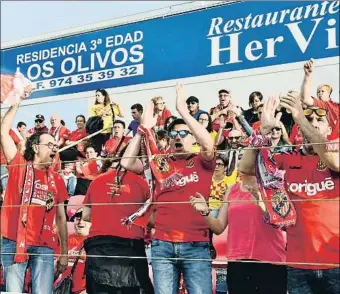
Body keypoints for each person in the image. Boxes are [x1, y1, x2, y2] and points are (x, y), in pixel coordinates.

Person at [239, 94, 339, 294]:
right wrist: (261, 132)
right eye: (308, 119)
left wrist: (301, 116)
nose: (313, 123)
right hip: (298, 265)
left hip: (336, 265)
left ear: (330, 129)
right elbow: (246, 168)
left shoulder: (334, 158)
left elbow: (334, 162)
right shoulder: (287, 158)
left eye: (320, 120)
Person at [121, 84, 215, 294]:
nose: (178, 137)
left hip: (195, 245)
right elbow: (127, 163)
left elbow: (208, 145)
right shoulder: (160, 163)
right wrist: (142, 129)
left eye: (184, 133)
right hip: (162, 245)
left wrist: (182, 110)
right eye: (174, 134)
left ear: (193, 138)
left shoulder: (202, 161)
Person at [0, 98, 68, 294]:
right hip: (14, 240)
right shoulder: (19, 165)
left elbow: (62, 218)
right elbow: (3, 132)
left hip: (44, 244)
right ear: (36, 147)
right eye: (50, 145)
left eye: (56, 145)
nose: (55, 148)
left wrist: (64, 252)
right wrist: (17, 101)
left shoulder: (58, 179)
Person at [190, 174, 287, 294]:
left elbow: (282, 222)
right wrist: (205, 212)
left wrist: (262, 203)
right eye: (240, 158)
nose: (242, 161)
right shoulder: (232, 189)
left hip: (271, 261)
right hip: (239, 262)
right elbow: (219, 226)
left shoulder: (274, 186)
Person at [82, 152, 154, 294]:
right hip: (130, 248)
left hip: (99, 247)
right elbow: (150, 218)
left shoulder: (96, 180)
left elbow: (86, 215)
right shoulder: (142, 183)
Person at [55, 196, 91, 294]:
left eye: (85, 219)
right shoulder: (63, 242)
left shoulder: (95, 245)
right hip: (61, 289)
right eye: (77, 218)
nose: (80, 222)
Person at [300, 58, 339, 140]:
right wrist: (307, 75)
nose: (319, 93)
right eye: (318, 92)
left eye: (322, 91)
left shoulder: (335, 106)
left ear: (329, 93)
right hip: (324, 143)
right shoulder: (321, 104)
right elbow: (305, 98)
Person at [89, 89, 123, 153]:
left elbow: (121, 115)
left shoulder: (111, 106)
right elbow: (92, 119)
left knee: (109, 150)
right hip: (99, 132)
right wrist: (101, 116)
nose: (97, 97)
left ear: (104, 96)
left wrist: (118, 105)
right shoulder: (94, 107)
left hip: (109, 131)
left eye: (98, 95)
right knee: (98, 151)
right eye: (96, 95)